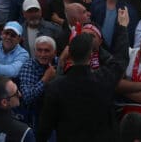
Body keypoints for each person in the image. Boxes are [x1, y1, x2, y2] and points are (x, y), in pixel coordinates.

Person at [37, 8, 131, 142]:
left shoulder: (55, 87)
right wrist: (122, 27)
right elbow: (121, 59)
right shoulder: (103, 79)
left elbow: (45, 126)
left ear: (69, 54)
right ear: (90, 54)